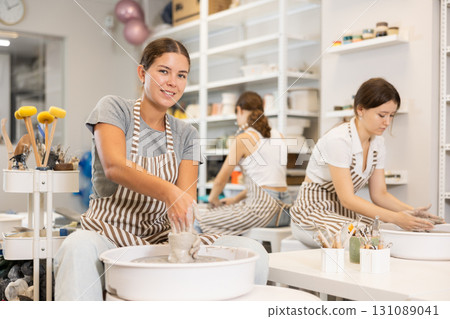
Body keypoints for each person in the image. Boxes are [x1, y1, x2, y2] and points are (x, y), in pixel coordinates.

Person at [53, 38, 269, 301]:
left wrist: (187, 238)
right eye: (163, 71)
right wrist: (170, 192)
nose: (172, 82)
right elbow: (115, 166)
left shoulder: (187, 134)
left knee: (253, 252)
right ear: (143, 73)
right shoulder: (114, 109)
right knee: (77, 247)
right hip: (106, 233)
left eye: (181, 75)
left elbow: (184, 199)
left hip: (161, 239)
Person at [289, 78, 437, 246]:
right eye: (382, 115)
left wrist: (411, 213)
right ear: (360, 109)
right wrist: (397, 217)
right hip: (311, 213)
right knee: (364, 236)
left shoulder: (377, 143)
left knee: (388, 231)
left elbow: (380, 194)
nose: (387, 122)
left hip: (342, 212)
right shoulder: (339, 139)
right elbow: (347, 199)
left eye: (391, 115)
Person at [195, 91, 291, 236]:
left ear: (239, 110)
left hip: (262, 213)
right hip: (285, 213)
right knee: (230, 216)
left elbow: (220, 180)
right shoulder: (280, 136)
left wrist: (213, 200)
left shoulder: (243, 139)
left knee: (198, 219)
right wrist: (235, 199)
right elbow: (268, 183)